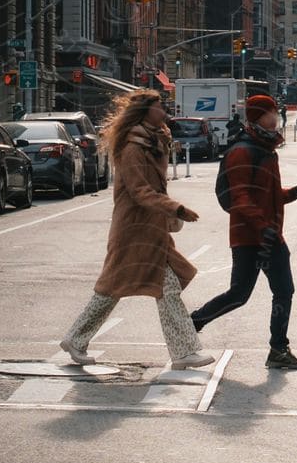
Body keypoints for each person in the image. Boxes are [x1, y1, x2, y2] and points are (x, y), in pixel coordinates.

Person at [59, 89, 214, 371]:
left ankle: (76, 338)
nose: (165, 113)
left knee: (155, 287)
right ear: (145, 111)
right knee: (118, 289)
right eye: (159, 108)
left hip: (151, 229)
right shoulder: (133, 147)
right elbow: (140, 190)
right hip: (133, 230)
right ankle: (183, 352)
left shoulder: (153, 141)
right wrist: (176, 209)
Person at [190, 93, 297, 371]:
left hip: (266, 234)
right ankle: (192, 323)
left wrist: (289, 194)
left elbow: (263, 195)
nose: (278, 117)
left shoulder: (264, 148)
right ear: (260, 116)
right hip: (252, 236)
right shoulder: (243, 151)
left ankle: (278, 349)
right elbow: (241, 197)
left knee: (281, 291)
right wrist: (263, 228)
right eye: (272, 112)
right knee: (240, 294)